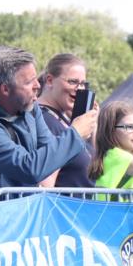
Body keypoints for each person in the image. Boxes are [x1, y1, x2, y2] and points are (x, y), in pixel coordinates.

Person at [0, 46, 97, 201]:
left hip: (22, 211)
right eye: (29, 82)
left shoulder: (30, 107)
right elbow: (29, 169)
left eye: (35, 78)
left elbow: (49, 149)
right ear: (5, 89)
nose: (38, 85)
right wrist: (76, 134)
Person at [36, 53, 95, 188]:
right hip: (60, 202)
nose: (80, 89)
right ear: (50, 80)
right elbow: (45, 184)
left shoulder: (61, 119)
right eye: (73, 82)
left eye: (83, 84)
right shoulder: (43, 120)